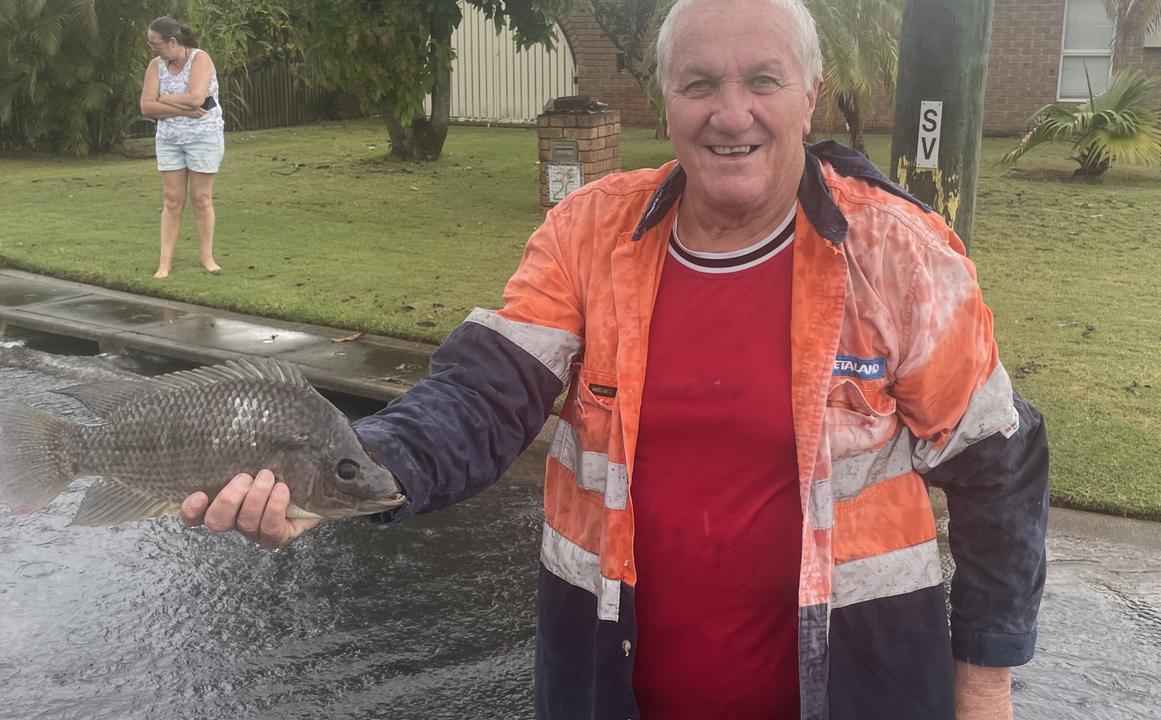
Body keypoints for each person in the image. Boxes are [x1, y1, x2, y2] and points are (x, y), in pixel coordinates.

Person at [181, 0, 1050, 718]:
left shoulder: (895, 253)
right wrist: (351, 471)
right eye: (700, 83)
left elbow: (999, 467)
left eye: (762, 81)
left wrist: (984, 686)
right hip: (607, 686)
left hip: (860, 690)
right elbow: (482, 398)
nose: (731, 111)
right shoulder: (590, 233)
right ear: (663, 100)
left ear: (810, 97)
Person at [138, 16, 224, 279]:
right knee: (172, 200)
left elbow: (197, 98)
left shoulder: (200, 59)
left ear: (173, 41)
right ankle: (165, 264)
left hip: (203, 137)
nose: (154, 50)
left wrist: (163, 99)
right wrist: (182, 108)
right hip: (169, 139)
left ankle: (207, 258)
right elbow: (146, 107)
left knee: (201, 198)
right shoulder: (156, 66)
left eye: (156, 44)